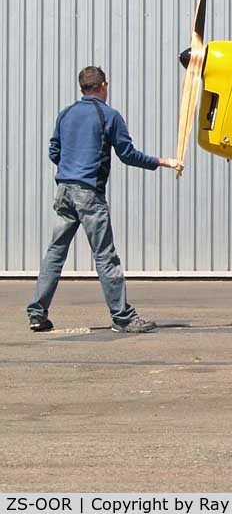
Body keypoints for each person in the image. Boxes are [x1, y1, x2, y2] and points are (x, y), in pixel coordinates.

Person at [27, 66, 182, 334]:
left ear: (81, 88)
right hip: (89, 194)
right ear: (103, 86)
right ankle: (122, 318)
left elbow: (54, 150)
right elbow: (128, 154)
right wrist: (161, 161)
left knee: (55, 253)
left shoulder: (66, 114)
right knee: (105, 256)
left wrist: (69, 169)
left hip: (64, 190)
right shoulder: (109, 116)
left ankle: (37, 313)